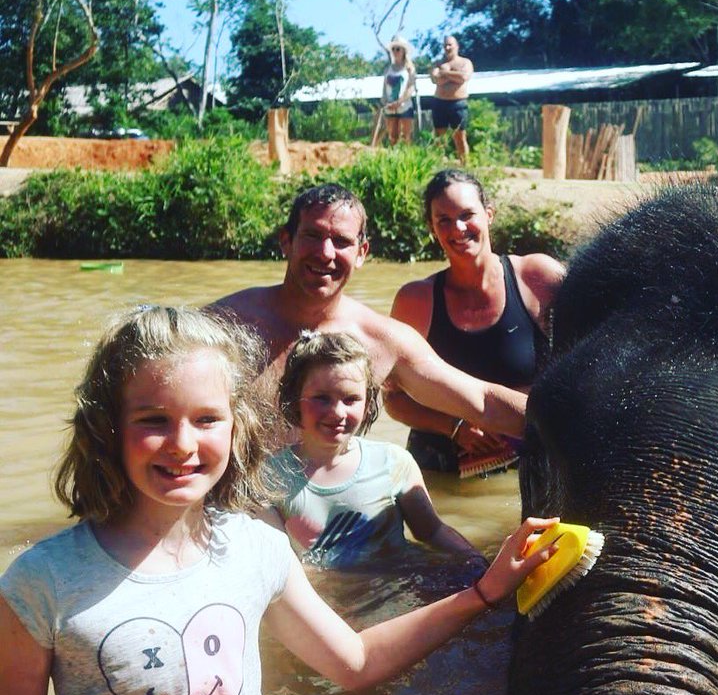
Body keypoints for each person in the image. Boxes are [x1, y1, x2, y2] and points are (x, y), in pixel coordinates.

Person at [0, 305, 556, 695]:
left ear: (237, 427)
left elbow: (356, 662)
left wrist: (483, 592)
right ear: (107, 426)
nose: (183, 444)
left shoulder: (256, 551)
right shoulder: (44, 580)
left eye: (207, 419)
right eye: (153, 419)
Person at [210, 183, 527, 444]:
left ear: (361, 253)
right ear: (286, 242)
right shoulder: (226, 325)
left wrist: (565, 421)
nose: (326, 253)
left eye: (341, 241)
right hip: (241, 510)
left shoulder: (381, 340)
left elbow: (482, 402)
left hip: (334, 515)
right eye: (312, 236)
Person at [389, 169, 565, 472]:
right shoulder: (415, 301)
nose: (458, 228)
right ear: (432, 228)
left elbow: (589, 360)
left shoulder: (537, 278)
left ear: (489, 215)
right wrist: (454, 426)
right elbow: (393, 398)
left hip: (530, 463)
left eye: (467, 215)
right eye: (443, 220)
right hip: (442, 468)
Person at [266, 329, 485, 568]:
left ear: (368, 403)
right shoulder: (272, 477)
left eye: (351, 399)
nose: (337, 412)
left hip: (398, 589)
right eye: (322, 398)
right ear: (294, 398)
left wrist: (478, 563)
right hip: (325, 602)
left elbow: (431, 532)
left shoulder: (393, 462)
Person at [428, 34, 473, 164]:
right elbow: (436, 79)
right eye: (445, 45)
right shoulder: (438, 63)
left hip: (458, 103)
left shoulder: (465, 62)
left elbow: (463, 77)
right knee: (439, 137)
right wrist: (452, 75)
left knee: (460, 137)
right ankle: (439, 164)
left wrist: (446, 73)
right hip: (439, 103)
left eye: (450, 45)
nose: (447, 47)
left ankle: (465, 165)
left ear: (456, 46)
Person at [380, 36, 417, 146]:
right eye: (393, 49)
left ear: (403, 51)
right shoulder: (388, 69)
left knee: (406, 136)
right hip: (390, 107)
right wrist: (385, 102)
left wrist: (400, 102)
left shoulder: (409, 69)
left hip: (404, 106)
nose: (395, 51)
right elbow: (384, 88)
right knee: (392, 136)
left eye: (398, 49)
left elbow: (410, 87)